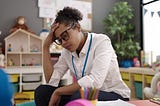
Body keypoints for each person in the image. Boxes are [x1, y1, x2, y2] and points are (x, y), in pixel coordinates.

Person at [35, 6, 130, 106]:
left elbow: (95, 82)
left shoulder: (101, 41)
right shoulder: (66, 52)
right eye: (59, 40)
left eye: (65, 36)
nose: (63, 43)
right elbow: (51, 81)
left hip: (114, 94)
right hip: (86, 94)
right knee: (43, 92)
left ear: (77, 27)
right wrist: (45, 47)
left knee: (79, 96)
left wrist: (59, 91)